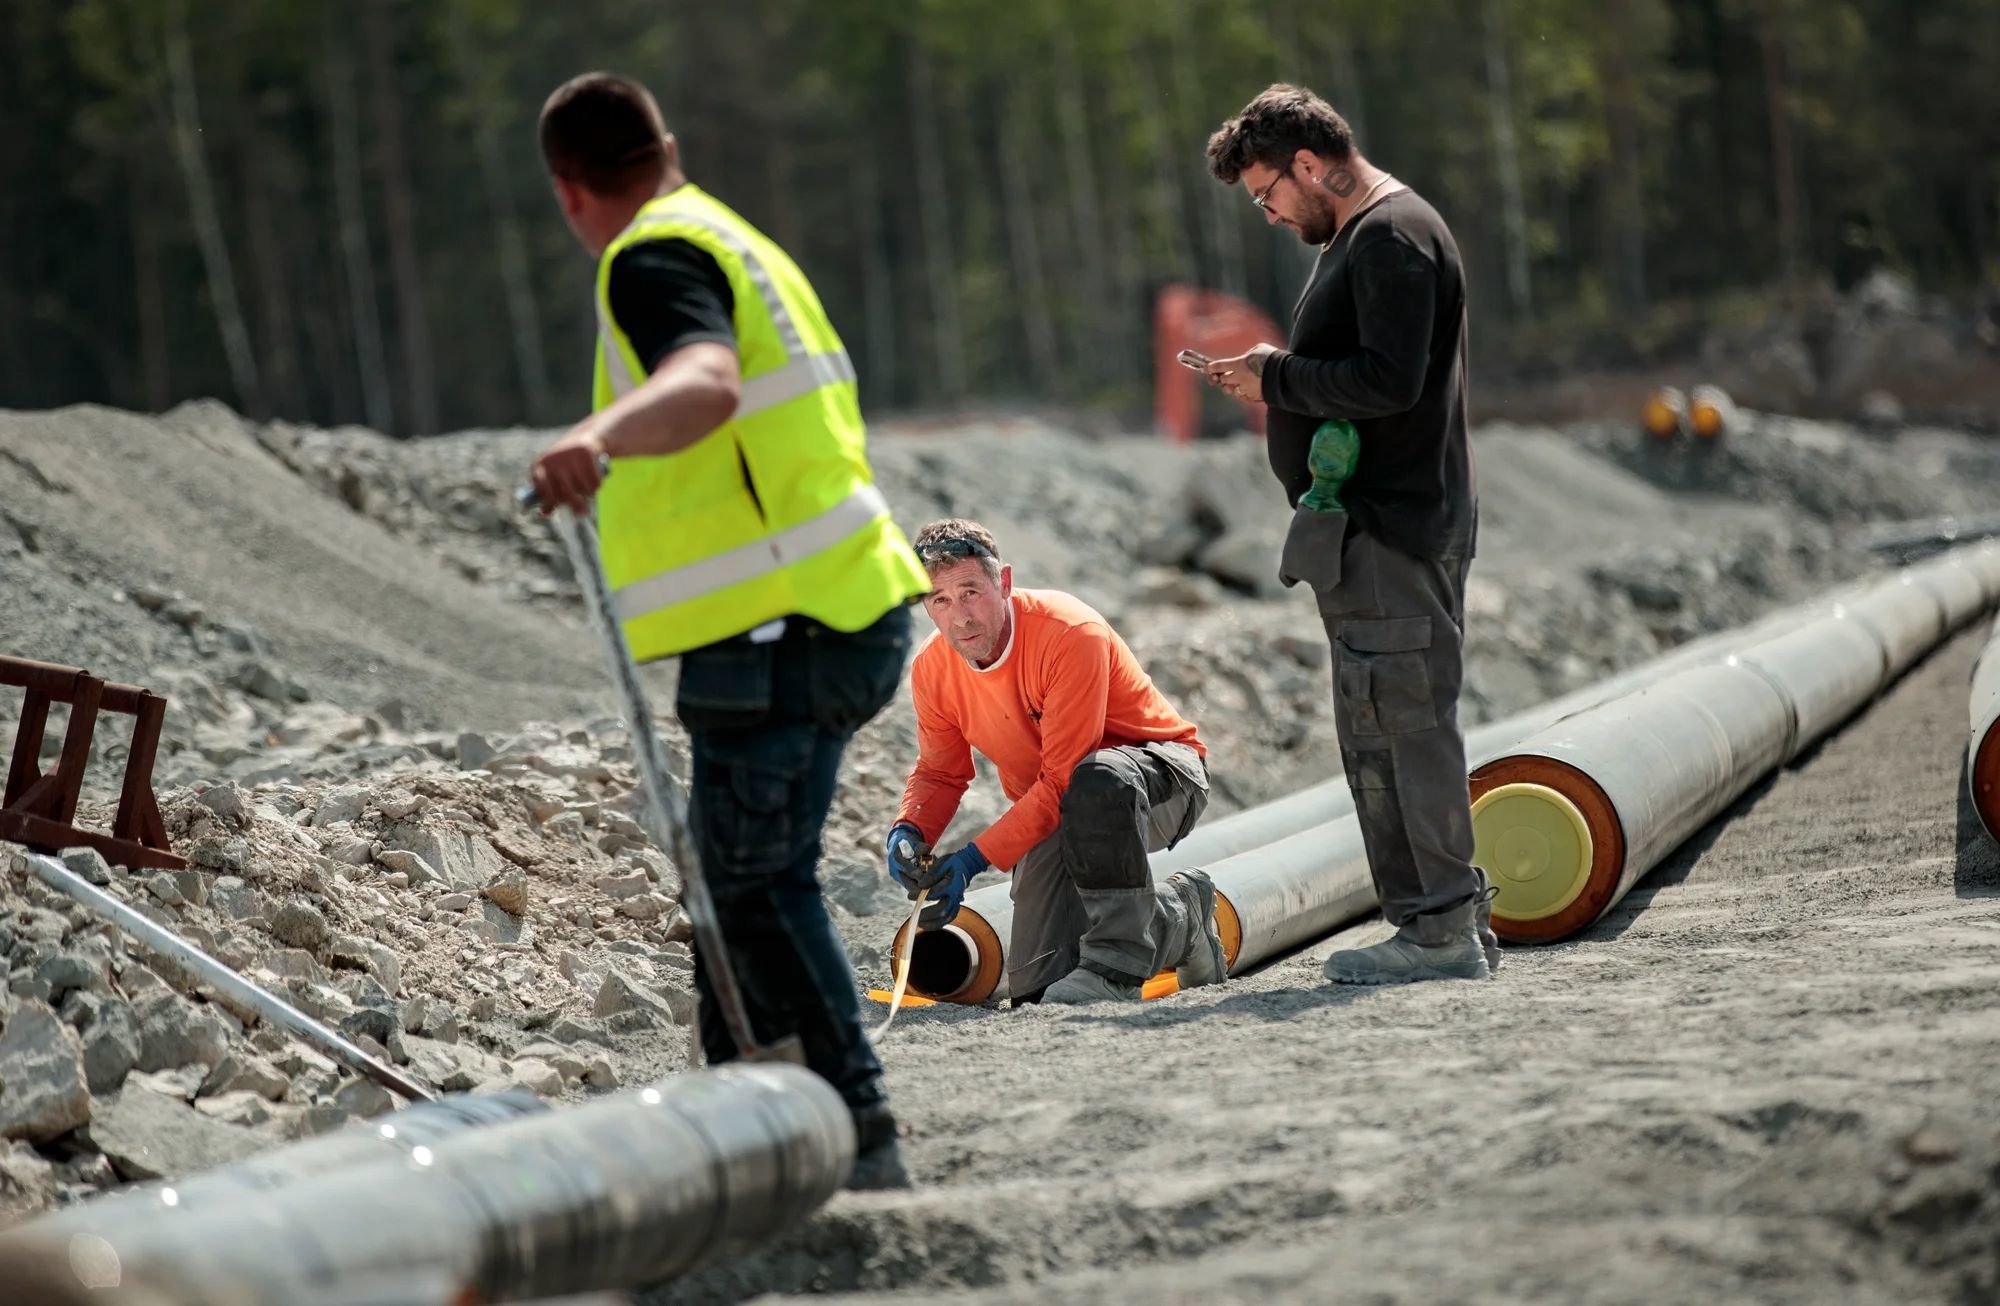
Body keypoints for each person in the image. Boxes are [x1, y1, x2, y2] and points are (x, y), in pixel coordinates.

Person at [529, 72, 930, 1186]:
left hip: (778, 628)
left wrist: (595, 437)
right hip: (839, 607)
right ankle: (745, 1118)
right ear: (666, 145)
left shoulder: (651, 256)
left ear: (569, 191)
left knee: (753, 885)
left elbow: (704, 381)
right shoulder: (736, 238)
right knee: (733, 878)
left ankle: (856, 1135)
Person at [1198, 84, 1501, 986]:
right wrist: (1276, 379)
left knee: (1404, 725)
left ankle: (1440, 929)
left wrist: (1274, 377)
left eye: (1269, 194)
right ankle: (1438, 922)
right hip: (1376, 527)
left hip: (1390, 526)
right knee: (1384, 724)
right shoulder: (1370, 234)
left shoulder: (1391, 238)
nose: (1269, 214)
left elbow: (1387, 381)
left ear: (1308, 163)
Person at [886, 519, 1228, 1005]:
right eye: (939, 600)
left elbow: (1065, 777)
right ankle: (1182, 917)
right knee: (1039, 992)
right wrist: (909, 830)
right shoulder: (932, 668)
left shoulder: (1068, 632)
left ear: (1004, 582)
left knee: (1097, 781)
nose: (960, 618)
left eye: (970, 592)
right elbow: (941, 772)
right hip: (1059, 809)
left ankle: (1116, 967)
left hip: (1160, 781)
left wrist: (974, 859)